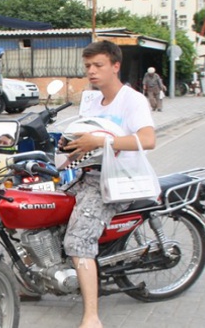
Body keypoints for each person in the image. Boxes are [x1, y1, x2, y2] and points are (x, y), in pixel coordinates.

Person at [62, 41, 155, 328]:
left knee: (77, 240)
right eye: (88, 66)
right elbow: (87, 134)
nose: (91, 71)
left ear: (115, 66)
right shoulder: (90, 99)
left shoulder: (133, 100)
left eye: (98, 65)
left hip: (117, 180)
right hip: (85, 174)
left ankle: (92, 315)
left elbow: (148, 139)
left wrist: (104, 141)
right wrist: (70, 144)